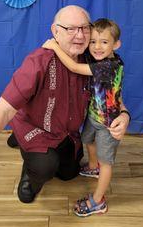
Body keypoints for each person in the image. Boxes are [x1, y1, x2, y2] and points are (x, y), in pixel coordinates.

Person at [0, 6, 130, 206]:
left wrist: (124, 114)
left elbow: (111, 94)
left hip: (66, 132)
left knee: (69, 173)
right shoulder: (39, 61)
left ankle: (24, 143)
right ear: (55, 31)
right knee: (44, 166)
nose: (79, 35)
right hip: (37, 129)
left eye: (84, 28)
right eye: (70, 29)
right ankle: (30, 171)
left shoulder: (94, 57)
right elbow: (3, 110)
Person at [43, 18, 131, 216]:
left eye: (104, 42)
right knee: (87, 140)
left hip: (109, 124)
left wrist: (54, 47)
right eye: (93, 41)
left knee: (106, 161)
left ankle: (98, 201)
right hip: (94, 116)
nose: (97, 47)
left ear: (116, 45)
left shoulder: (107, 66)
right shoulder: (103, 59)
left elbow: (74, 68)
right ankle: (93, 166)